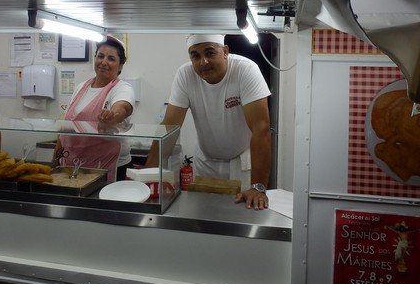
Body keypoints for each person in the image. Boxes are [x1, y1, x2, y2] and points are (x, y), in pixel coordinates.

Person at [145, 34, 272, 210]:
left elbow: (261, 129)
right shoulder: (185, 74)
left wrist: (258, 187)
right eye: (195, 56)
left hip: (240, 163)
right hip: (205, 162)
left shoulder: (246, 70)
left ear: (225, 51)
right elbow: (169, 127)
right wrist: (146, 176)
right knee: (203, 214)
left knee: (242, 215)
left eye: (210, 53)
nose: (203, 62)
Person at [54, 35, 135, 182]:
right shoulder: (81, 88)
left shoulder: (122, 88)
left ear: (120, 65)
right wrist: (54, 161)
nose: (104, 62)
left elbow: (123, 107)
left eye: (111, 58)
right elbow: (65, 129)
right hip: (73, 166)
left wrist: (112, 115)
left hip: (110, 168)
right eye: (100, 56)